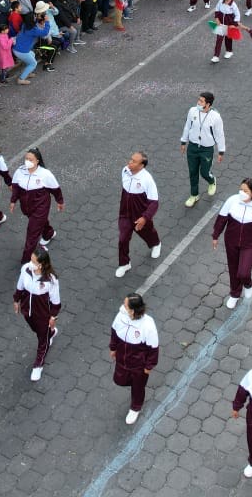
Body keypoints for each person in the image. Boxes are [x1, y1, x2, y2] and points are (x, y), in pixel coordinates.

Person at [212, 179, 252, 309]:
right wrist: (216, 235)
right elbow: (222, 218)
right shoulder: (232, 201)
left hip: (251, 244)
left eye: (245, 191)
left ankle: (248, 283)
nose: (242, 193)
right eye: (241, 189)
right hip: (231, 241)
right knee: (233, 270)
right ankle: (234, 294)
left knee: (243, 272)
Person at [109, 292, 159, 425]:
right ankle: (134, 385)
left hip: (138, 364)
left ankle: (135, 407)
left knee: (138, 386)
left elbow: (153, 346)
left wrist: (149, 366)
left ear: (133, 310)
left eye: (125, 305)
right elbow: (114, 332)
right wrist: (113, 348)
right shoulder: (121, 316)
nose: (122, 307)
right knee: (120, 380)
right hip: (122, 358)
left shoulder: (147, 324)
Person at [13, 247, 61, 382]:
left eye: (34, 261)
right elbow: (20, 285)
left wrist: (53, 317)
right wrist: (16, 300)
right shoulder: (26, 270)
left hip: (43, 314)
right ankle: (50, 333)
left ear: (41, 264)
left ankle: (38, 364)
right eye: (31, 260)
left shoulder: (50, 280)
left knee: (42, 338)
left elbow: (56, 301)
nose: (30, 263)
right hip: (27, 311)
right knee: (37, 330)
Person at [9, 148, 65, 264]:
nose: (27, 161)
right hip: (26, 207)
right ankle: (48, 233)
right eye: (26, 159)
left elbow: (55, 189)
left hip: (41, 207)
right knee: (39, 223)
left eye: (30, 159)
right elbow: (15, 187)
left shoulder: (45, 174)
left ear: (37, 161)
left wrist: (60, 201)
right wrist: (13, 201)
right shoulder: (20, 171)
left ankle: (26, 261)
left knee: (32, 234)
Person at [116, 151, 161, 279]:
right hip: (124, 214)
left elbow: (154, 203)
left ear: (141, 166)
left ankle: (156, 244)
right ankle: (124, 263)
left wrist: (145, 218)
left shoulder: (147, 180)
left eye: (134, 161)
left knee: (147, 233)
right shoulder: (125, 171)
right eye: (131, 159)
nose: (129, 162)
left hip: (140, 215)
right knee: (122, 239)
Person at [179, 91, 226, 208]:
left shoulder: (215, 117)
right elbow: (187, 126)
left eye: (201, 101)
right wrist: (183, 141)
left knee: (204, 172)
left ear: (208, 104)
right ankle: (194, 195)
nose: (198, 102)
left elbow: (220, 134)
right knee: (193, 172)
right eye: (198, 100)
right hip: (193, 147)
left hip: (206, 149)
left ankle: (211, 180)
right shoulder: (192, 111)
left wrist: (221, 151)